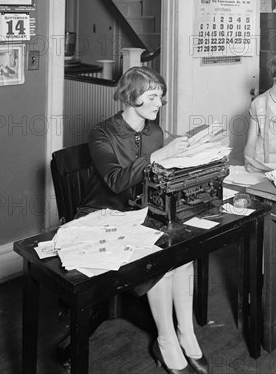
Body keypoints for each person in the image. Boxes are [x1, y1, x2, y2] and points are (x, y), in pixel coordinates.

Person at [78, 67, 207, 374]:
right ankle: (165, 340)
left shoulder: (154, 131)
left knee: (184, 256)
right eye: (152, 97)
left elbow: (170, 153)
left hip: (143, 213)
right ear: (130, 96)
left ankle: (185, 333)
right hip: (104, 215)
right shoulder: (102, 132)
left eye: (160, 96)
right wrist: (159, 155)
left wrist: (194, 143)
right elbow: (115, 181)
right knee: (163, 257)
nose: (159, 103)